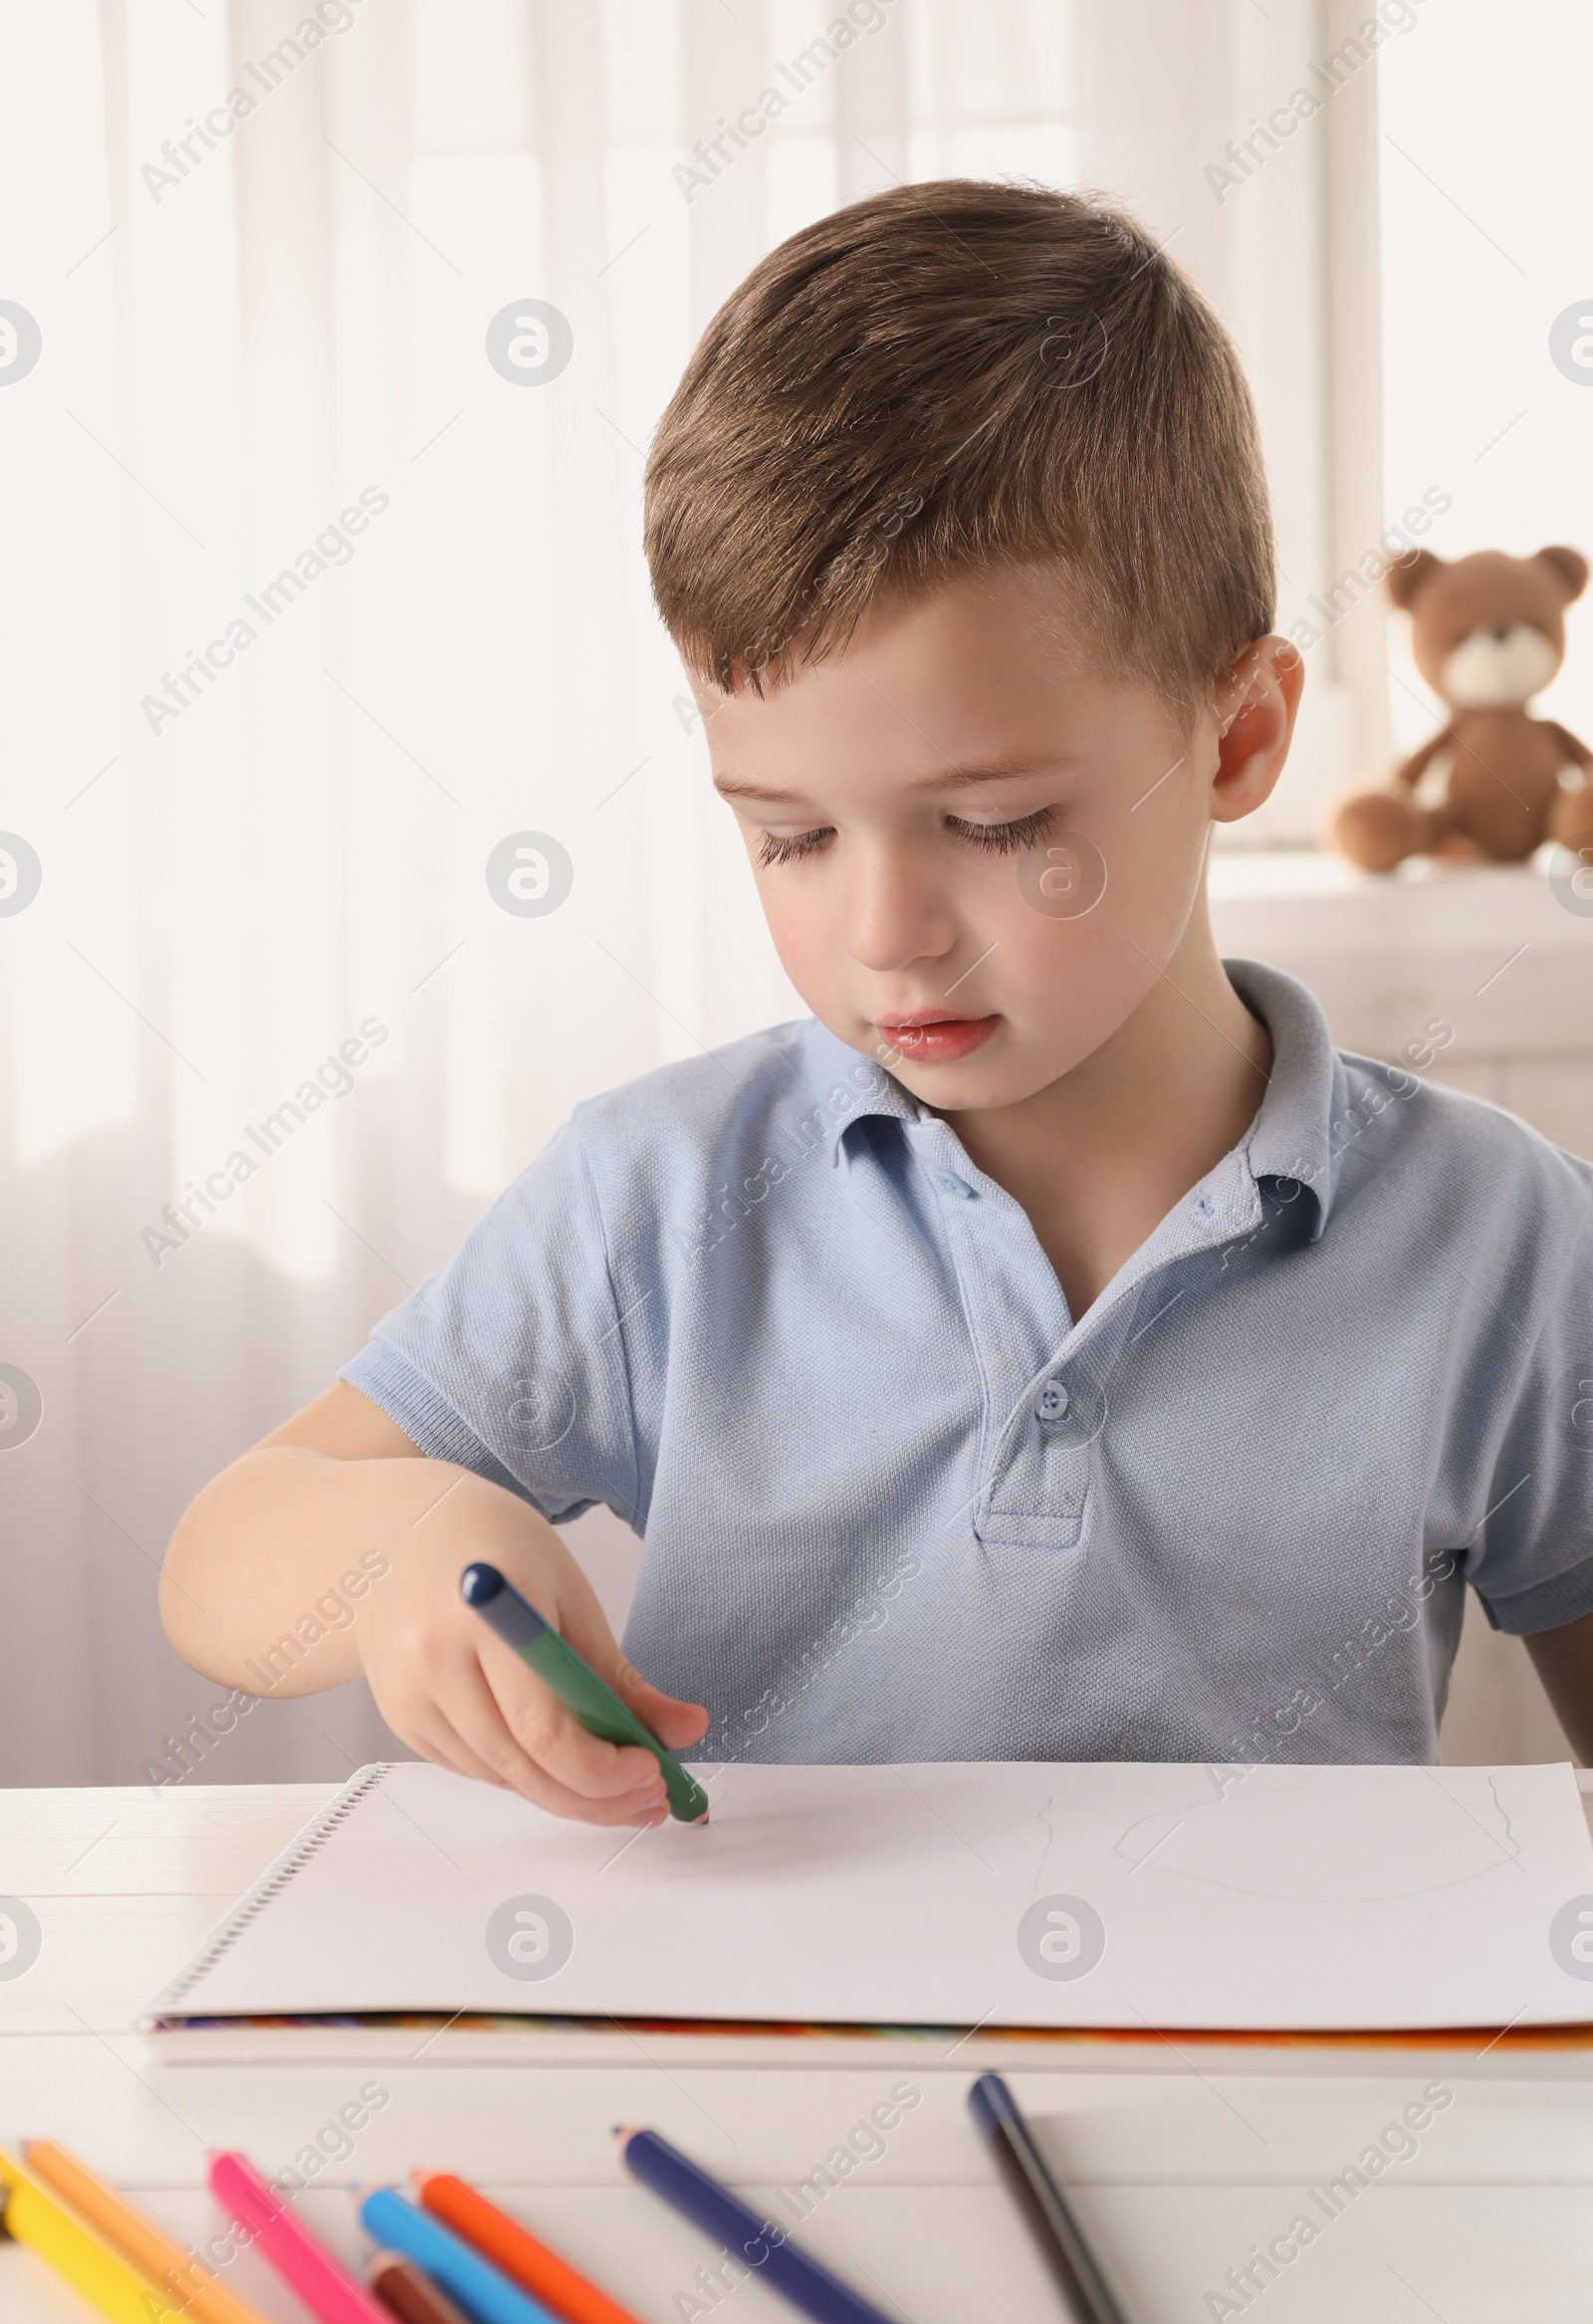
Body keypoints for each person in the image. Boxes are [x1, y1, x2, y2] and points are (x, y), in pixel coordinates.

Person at [161, 180, 1593, 1823]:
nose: (884, 932)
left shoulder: (1505, 1245)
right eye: (787, 836)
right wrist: (394, 1543)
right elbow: (222, 1552)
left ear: (1240, 740)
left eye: (994, 827)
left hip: (1288, 2078)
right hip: (758, 2073)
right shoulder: (665, 1198)